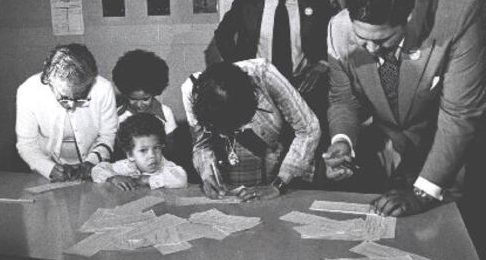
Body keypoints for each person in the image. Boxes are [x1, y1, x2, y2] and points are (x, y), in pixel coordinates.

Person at [324, 0, 486, 217]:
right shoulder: (338, 29)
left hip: (444, 161)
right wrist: (342, 141)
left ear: (408, 18)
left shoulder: (458, 16)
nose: (370, 50)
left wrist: (423, 193)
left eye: (381, 40)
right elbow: (343, 99)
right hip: (389, 156)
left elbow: (460, 115)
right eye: (361, 40)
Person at [181, 59, 320, 201]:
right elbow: (201, 144)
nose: (232, 134)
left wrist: (279, 184)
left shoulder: (264, 73)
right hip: (235, 170)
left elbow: (309, 128)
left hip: (283, 159)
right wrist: (207, 174)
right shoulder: (191, 92)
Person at [16, 44, 118, 181]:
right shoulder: (28, 91)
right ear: (47, 79)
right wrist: (48, 168)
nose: (71, 106)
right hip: (45, 169)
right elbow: (26, 144)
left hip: (93, 168)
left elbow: (108, 135)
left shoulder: (103, 89)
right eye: (64, 97)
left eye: (80, 98)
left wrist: (91, 162)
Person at [91, 113, 187, 191]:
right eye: (143, 150)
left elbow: (181, 179)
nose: (152, 155)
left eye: (156, 148)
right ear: (130, 154)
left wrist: (146, 180)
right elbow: (97, 169)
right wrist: (113, 178)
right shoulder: (127, 166)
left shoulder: (165, 166)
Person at [112, 49, 177, 134]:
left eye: (145, 99)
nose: (139, 105)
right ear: (125, 93)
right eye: (133, 99)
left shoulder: (166, 113)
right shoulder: (118, 115)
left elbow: (171, 144)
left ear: (154, 93)